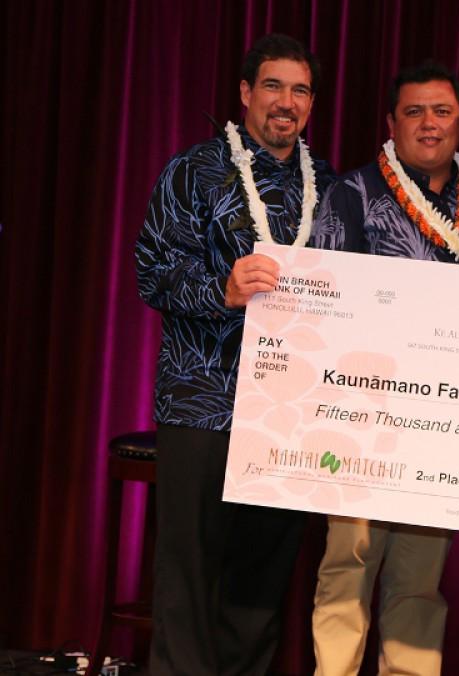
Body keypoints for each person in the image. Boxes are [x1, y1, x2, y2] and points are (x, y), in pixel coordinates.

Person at [135, 34, 364, 675]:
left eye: (300, 90)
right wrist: (222, 290)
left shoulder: (333, 189)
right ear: (244, 93)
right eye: (272, 86)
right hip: (201, 401)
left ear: (312, 103)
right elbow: (152, 272)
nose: (285, 102)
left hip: (289, 414)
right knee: (188, 574)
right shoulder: (194, 170)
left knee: (261, 583)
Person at [311, 62, 459, 676]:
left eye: (441, 111)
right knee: (348, 565)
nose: (429, 123)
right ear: (391, 124)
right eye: (414, 112)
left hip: (443, 420)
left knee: (420, 579)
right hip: (361, 415)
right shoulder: (352, 193)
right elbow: (324, 301)